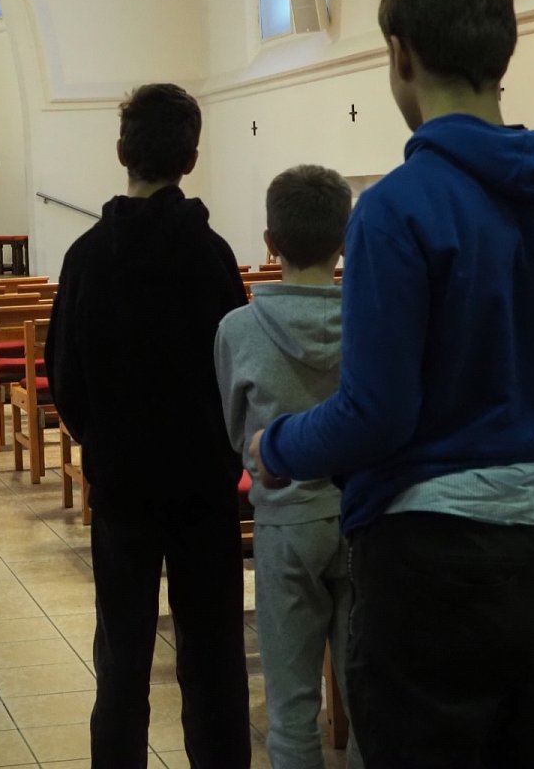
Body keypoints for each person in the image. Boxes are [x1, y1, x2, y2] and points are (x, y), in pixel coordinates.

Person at [251, 0, 534, 768]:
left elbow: (376, 414)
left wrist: (277, 448)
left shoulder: (395, 209)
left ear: (401, 54)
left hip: (429, 559)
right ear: (502, 54)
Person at [46, 83, 251, 769]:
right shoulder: (211, 255)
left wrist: (104, 441)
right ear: (190, 159)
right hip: (204, 484)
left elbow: (64, 378)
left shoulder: (85, 257)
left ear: (120, 151)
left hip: (124, 484)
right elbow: (237, 371)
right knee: (214, 655)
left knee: (122, 657)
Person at [215, 165, 362, 769]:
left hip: (285, 522)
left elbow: (237, 435)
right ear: (344, 240)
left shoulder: (238, 329)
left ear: (270, 241)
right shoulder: (372, 320)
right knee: (372, 706)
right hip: (361, 518)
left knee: (292, 707)